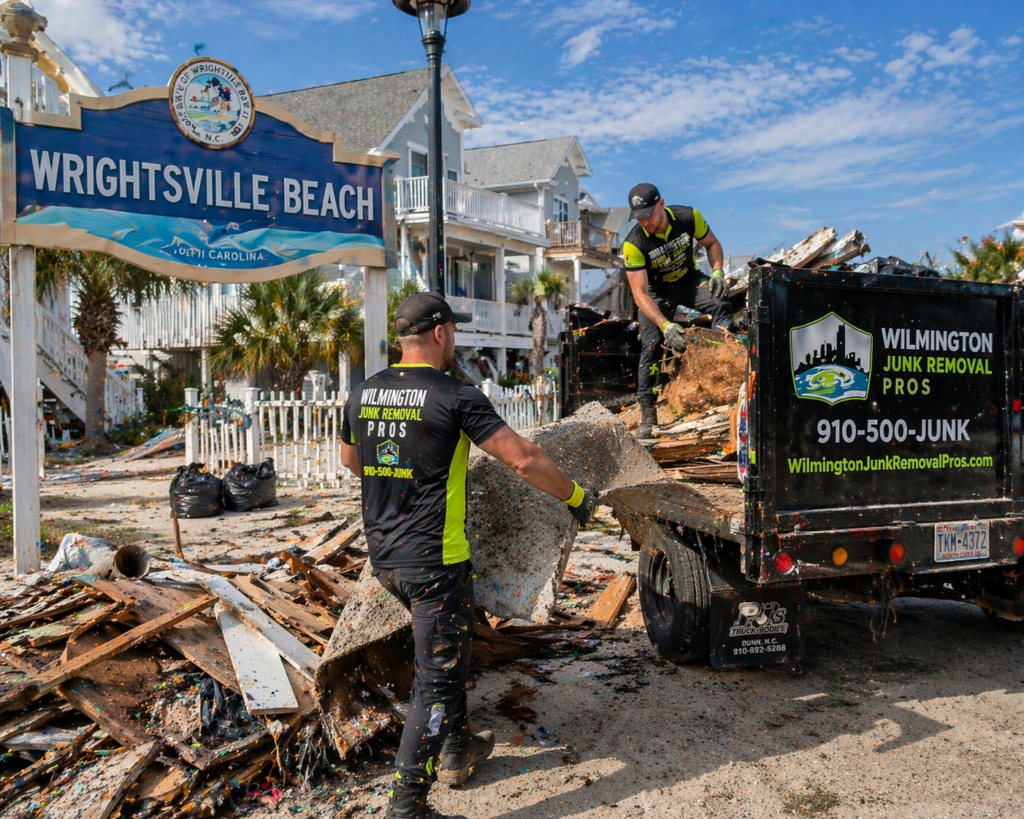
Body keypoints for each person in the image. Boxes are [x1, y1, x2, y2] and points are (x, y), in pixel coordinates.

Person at [341, 291, 598, 819]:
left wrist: (399, 482)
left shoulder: (363, 392)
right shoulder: (455, 395)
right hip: (435, 562)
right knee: (436, 677)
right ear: (440, 334)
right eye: (452, 330)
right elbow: (524, 459)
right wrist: (575, 498)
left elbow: (350, 459)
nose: (454, 338)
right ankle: (406, 805)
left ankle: (457, 750)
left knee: (448, 656)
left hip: (386, 557)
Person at [622, 183, 734, 439]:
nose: (645, 222)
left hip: (689, 280)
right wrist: (665, 325)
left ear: (661, 205)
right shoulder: (633, 244)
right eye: (638, 218)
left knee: (722, 304)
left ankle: (720, 370)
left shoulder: (688, 216)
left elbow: (713, 243)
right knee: (650, 346)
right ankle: (648, 416)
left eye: (648, 214)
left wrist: (717, 270)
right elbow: (639, 293)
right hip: (657, 294)